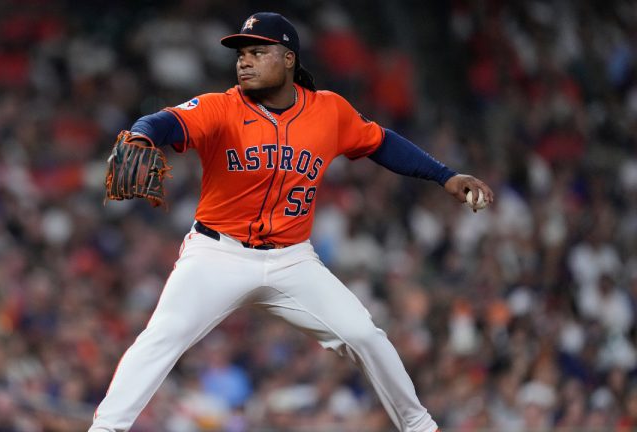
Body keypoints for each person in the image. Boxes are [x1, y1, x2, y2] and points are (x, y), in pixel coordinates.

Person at [89, 12, 493, 432]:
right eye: (241, 54)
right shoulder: (221, 108)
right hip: (216, 254)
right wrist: (141, 135)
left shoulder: (329, 112)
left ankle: (421, 427)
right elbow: (165, 120)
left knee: (365, 336)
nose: (244, 61)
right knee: (161, 338)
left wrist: (445, 175)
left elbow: (381, 142)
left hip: (292, 261)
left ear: (287, 59)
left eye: (257, 52)